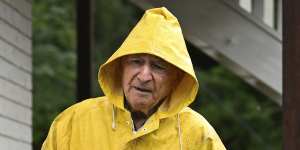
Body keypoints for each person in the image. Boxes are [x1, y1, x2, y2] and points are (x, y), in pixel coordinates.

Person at [42, 7, 226, 150]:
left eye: (158, 66)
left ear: (176, 79)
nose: (144, 76)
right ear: (120, 67)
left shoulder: (199, 135)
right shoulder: (73, 123)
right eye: (136, 62)